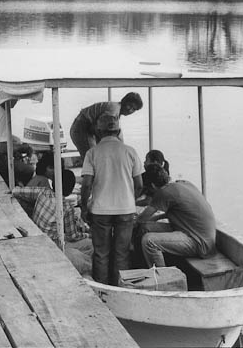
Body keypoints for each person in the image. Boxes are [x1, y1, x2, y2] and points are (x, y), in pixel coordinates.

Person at [80, 116, 143, 285]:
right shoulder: (130, 151)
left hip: (100, 211)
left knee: (101, 253)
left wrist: (84, 207)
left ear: (98, 132)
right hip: (126, 210)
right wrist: (129, 200)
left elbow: (86, 184)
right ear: (119, 131)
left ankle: (102, 290)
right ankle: (121, 288)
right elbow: (139, 185)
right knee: (122, 253)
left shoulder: (92, 153)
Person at [135, 163, 216, 268]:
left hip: (199, 242)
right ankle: (143, 265)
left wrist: (131, 220)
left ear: (153, 185)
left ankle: (163, 279)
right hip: (201, 236)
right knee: (144, 228)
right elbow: (177, 212)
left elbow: (141, 218)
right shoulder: (184, 184)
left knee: (149, 241)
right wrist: (154, 219)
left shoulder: (163, 192)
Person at [12, 168, 92, 274]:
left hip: (38, 237)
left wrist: (13, 191)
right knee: (90, 245)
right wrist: (87, 235)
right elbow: (73, 236)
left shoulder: (44, 191)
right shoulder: (66, 207)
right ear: (70, 189)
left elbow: (18, 191)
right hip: (53, 245)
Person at [69, 92, 143, 160]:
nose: (130, 110)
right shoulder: (113, 111)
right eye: (129, 106)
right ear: (124, 101)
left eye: (134, 109)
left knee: (96, 156)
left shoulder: (116, 111)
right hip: (82, 128)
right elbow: (101, 130)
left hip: (86, 128)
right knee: (92, 158)